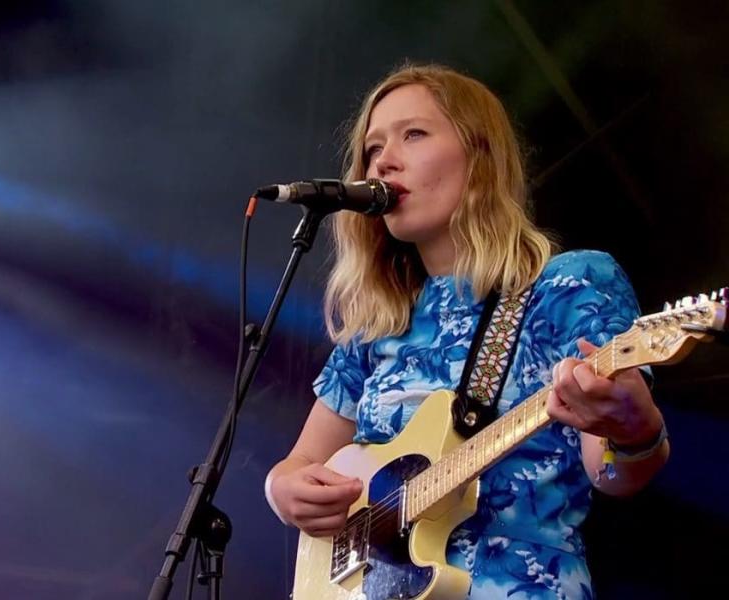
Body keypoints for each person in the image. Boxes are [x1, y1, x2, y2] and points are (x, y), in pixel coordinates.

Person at [264, 63, 669, 599]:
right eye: (372, 148)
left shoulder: (567, 285)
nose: (382, 160)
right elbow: (302, 462)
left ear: (480, 155)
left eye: (414, 134)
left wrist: (635, 428)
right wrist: (281, 487)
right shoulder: (378, 324)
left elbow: (614, 476)